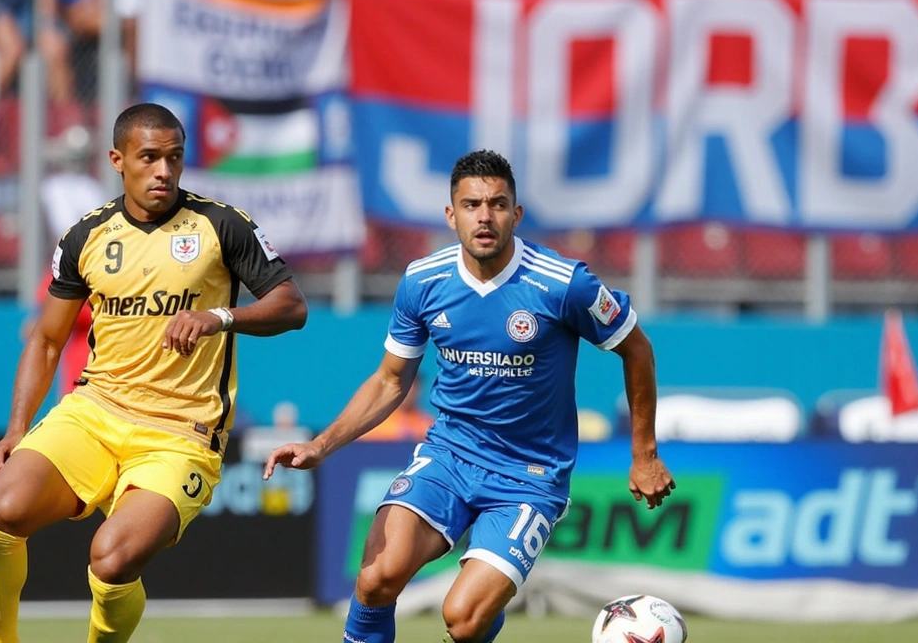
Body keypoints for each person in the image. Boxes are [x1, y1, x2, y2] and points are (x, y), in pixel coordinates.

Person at [264, 150, 674, 643]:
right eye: (472, 204)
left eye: (498, 204)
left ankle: (479, 620)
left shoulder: (563, 284)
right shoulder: (423, 280)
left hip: (529, 477)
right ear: (450, 214)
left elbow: (637, 349)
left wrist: (645, 455)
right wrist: (321, 445)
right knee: (375, 578)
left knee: (462, 619)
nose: (485, 216)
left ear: (516, 215)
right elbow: (391, 381)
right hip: (448, 458)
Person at [0, 103, 308, 643]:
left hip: (182, 436)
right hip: (94, 413)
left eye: (174, 158)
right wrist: (16, 429)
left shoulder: (221, 225)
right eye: (149, 158)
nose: (164, 171)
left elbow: (292, 307)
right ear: (117, 160)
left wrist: (218, 316)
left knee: (110, 560)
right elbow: (47, 338)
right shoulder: (85, 237)